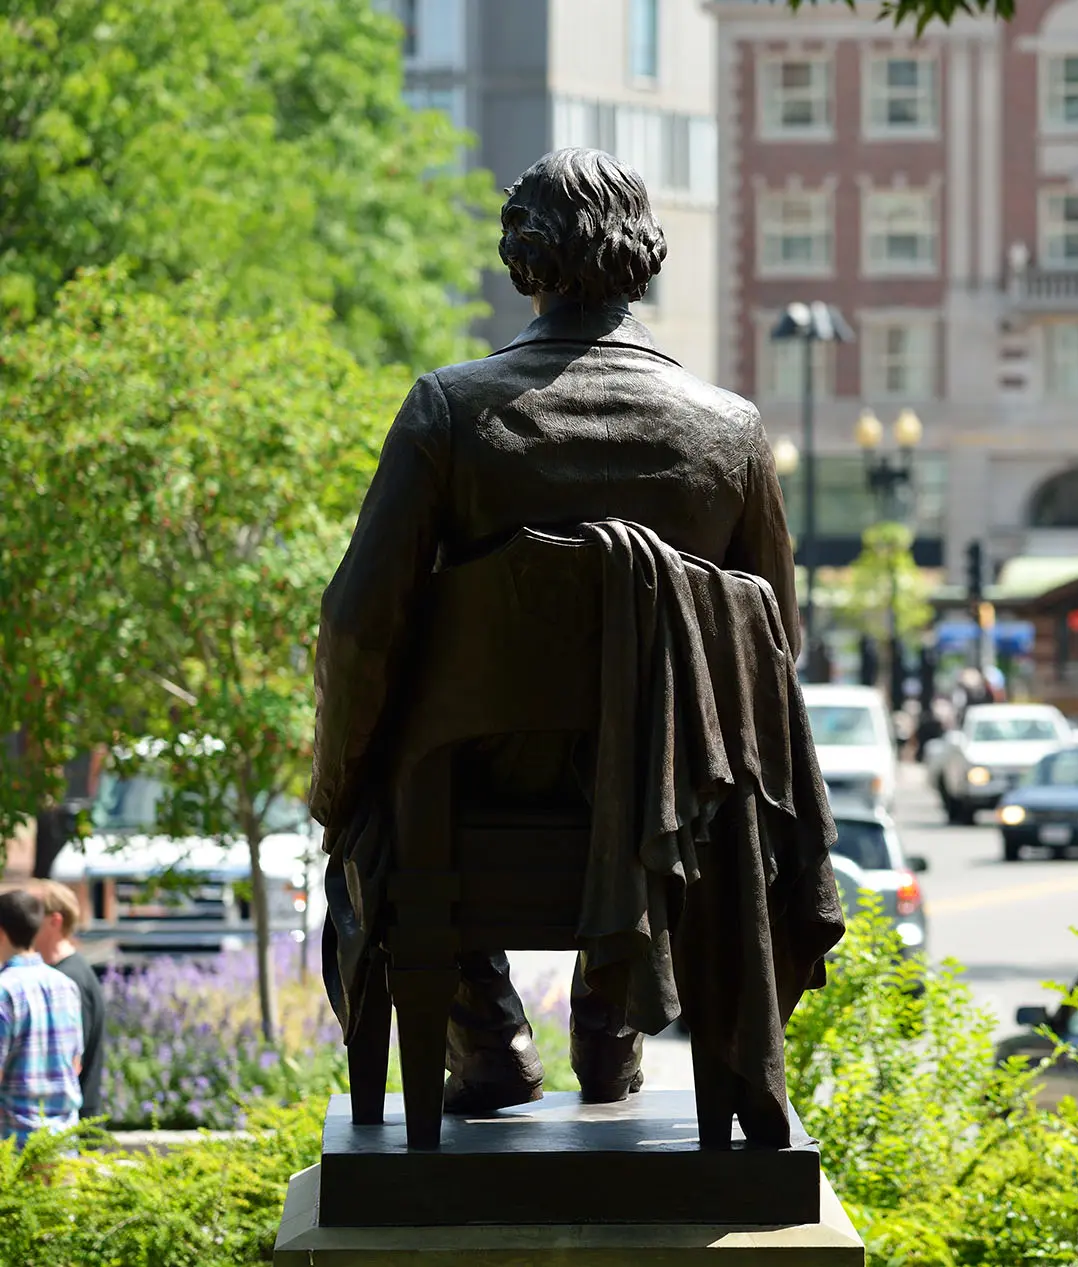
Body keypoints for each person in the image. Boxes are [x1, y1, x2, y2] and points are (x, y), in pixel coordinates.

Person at [311, 148, 805, 1115]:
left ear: (520, 259)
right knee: (676, 757)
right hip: (681, 814)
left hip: (469, 802)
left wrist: (338, 783)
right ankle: (611, 1024)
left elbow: (358, 628)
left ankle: (488, 1039)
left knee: (385, 806)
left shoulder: (449, 413)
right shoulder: (732, 430)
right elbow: (772, 652)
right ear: (646, 256)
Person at [0, 889, 83, 1145]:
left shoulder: (4, 990)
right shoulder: (66, 985)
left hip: (14, 1146)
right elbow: (75, 1064)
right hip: (62, 1142)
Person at [31, 881, 104, 1120]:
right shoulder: (65, 973)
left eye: (32, 914)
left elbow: (68, 1063)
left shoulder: (67, 980)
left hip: (71, 1132)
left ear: (55, 921)